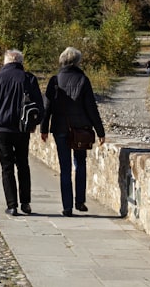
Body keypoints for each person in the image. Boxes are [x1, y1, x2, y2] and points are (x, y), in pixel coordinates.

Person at [40, 46, 106, 217]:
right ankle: (80, 201)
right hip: (81, 129)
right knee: (81, 163)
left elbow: (47, 107)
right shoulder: (83, 80)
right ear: (77, 62)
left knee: (65, 168)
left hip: (60, 128)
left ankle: (67, 207)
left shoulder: (54, 80)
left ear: (62, 61)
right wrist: (100, 131)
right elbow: (91, 108)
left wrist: (44, 128)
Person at [0, 48, 44, 216]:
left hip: (1, 129)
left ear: (5, 62)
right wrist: (34, 123)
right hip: (23, 129)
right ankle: (26, 203)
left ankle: (12, 205)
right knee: (23, 164)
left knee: (7, 167)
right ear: (20, 62)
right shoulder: (29, 79)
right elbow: (39, 106)